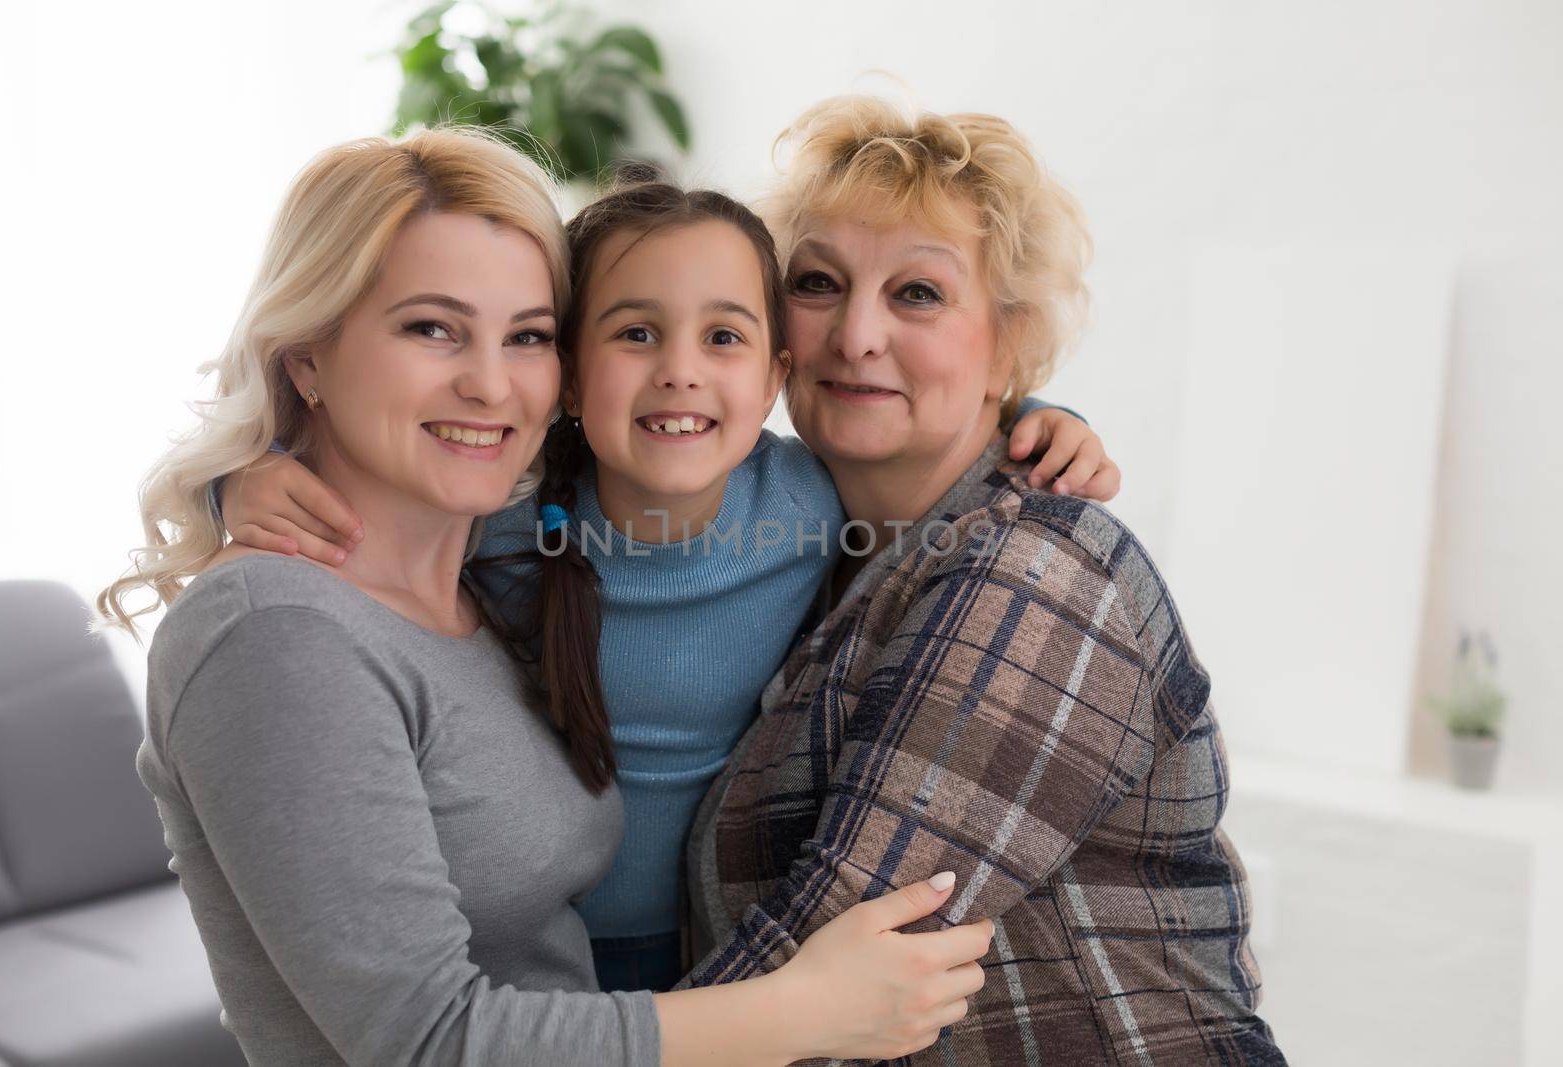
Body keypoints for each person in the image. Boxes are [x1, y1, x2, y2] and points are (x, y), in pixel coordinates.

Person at [98, 127, 994, 1066]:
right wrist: (802, 1012)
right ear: (304, 355)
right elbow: (432, 1040)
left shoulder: (466, 597)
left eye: (524, 335)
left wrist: (1033, 422)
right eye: (431, 327)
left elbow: (924, 479)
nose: (490, 384)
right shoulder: (281, 631)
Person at [216, 181, 1119, 992]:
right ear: (567, 373)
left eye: (723, 336)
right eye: (636, 332)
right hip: (534, 957)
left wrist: (1038, 418)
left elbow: (933, 473)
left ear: (775, 377)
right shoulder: (497, 512)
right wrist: (238, 482)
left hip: (727, 939)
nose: (680, 368)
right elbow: (351, 494)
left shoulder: (807, 502)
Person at [679, 96, 1286, 1066]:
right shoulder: (803, 550)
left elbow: (834, 947)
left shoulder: (1037, 562)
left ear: (1008, 339)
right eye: (818, 281)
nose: (856, 333)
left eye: (916, 293)